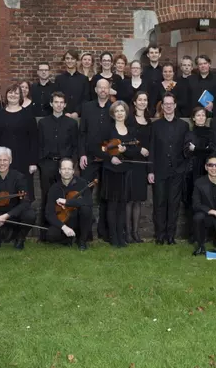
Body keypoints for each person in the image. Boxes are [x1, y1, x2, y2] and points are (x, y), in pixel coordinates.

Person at [101, 101, 146, 247]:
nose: (120, 113)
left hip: (125, 171)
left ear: (126, 113)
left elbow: (135, 151)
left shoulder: (131, 130)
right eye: (117, 111)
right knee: (112, 205)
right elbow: (99, 149)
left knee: (122, 205)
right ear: (113, 114)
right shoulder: (107, 130)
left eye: (122, 111)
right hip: (111, 171)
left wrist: (125, 151)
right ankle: (113, 237)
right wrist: (111, 157)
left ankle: (121, 237)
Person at [148, 93, 190, 244]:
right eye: (166, 104)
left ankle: (171, 236)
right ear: (162, 106)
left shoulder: (184, 126)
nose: (168, 106)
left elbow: (186, 150)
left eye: (171, 103)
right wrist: (151, 171)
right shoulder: (155, 126)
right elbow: (152, 149)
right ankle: (160, 235)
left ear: (175, 105)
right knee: (159, 204)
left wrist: (183, 168)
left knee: (173, 204)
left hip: (177, 171)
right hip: (159, 171)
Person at [37, 92, 78, 234]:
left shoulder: (72, 123)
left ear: (65, 105)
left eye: (61, 102)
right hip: (47, 164)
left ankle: (65, 228)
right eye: (56, 102)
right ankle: (45, 231)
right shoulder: (43, 123)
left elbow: (74, 145)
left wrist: (71, 164)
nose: (59, 105)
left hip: (64, 165)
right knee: (47, 196)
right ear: (51, 104)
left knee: (65, 197)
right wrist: (41, 163)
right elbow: (39, 144)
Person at [79, 79, 114, 241]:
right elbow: (82, 133)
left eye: (106, 88)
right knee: (86, 194)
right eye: (100, 87)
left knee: (106, 195)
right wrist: (82, 154)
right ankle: (86, 232)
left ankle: (104, 231)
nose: (103, 90)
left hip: (108, 159)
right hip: (90, 158)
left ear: (109, 90)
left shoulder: (114, 109)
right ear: (96, 89)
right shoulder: (86, 107)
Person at [0, 84, 39, 201]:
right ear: (6, 95)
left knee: (23, 193)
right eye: (10, 92)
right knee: (4, 192)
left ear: (20, 96)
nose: (13, 95)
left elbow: (34, 139)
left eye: (16, 93)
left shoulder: (28, 115)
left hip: (23, 159)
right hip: (3, 160)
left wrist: (33, 162)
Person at [184, 107, 216, 240]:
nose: (201, 117)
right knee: (194, 201)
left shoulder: (211, 132)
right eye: (198, 115)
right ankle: (193, 234)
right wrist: (204, 150)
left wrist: (196, 149)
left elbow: (213, 150)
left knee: (208, 200)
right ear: (193, 118)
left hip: (208, 170)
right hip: (192, 172)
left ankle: (207, 234)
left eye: (203, 115)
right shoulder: (189, 134)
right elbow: (187, 152)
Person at [45, 157, 93, 250]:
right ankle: (68, 238)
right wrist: (63, 227)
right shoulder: (54, 188)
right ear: (59, 171)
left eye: (69, 169)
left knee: (86, 209)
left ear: (73, 171)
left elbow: (89, 202)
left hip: (79, 219)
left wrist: (67, 202)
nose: (66, 171)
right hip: (65, 220)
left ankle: (82, 240)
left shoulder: (81, 183)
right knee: (50, 235)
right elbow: (49, 213)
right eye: (63, 169)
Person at [126, 91, 152, 243]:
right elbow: (125, 141)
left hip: (142, 165)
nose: (142, 102)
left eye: (145, 100)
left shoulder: (149, 121)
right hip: (130, 163)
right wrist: (139, 149)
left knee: (138, 200)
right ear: (134, 102)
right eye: (140, 100)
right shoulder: (129, 120)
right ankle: (128, 233)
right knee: (129, 200)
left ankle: (136, 233)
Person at [55, 49, 89, 118]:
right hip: (62, 116)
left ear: (77, 61)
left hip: (79, 116)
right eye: (67, 58)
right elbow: (56, 98)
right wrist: (64, 112)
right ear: (64, 60)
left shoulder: (84, 79)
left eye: (72, 59)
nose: (69, 61)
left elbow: (86, 99)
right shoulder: (59, 79)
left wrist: (77, 112)